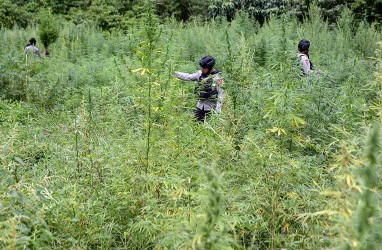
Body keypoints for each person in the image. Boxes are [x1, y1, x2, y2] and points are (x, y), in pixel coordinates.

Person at [175, 55, 224, 122]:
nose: (202, 69)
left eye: (204, 68)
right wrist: (174, 73)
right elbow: (188, 76)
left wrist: (217, 112)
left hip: (211, 110)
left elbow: (220, 96)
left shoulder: (218, 79)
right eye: (202, 67)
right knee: (195, 126)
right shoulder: (199, 74)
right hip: (199, 107)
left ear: (210, 68)